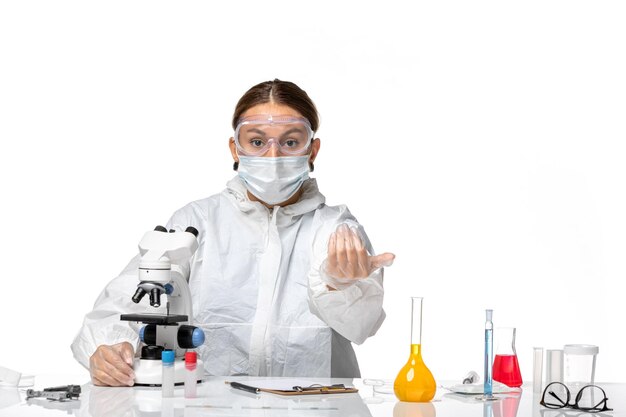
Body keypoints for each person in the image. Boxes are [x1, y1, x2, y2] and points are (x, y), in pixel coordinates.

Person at [71, 79, 395, 386]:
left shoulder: (336, 229)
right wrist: (109, 348)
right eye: (256, 141)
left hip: (315, 405)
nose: (273, 155)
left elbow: (361, 326)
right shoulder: (197, 220)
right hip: (210, 404)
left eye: (291, 142)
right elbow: (121, 303)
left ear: (312, 151)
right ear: (234, 149)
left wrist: (339, 286)